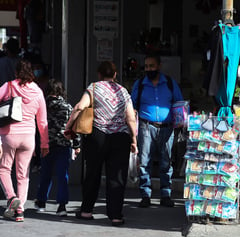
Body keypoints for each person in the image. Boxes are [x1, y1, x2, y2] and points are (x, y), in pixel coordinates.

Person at [64, 61, 137, 226]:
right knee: (117, 177)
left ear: (99, 74)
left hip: (97, 135)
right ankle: (116, 215)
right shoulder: (123, 91)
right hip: (120, 137)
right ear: (115, 75)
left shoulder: (94, 87)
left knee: (92, 173)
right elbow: (130, 117)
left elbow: (79, 107)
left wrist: (69, 128)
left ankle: (86, 211)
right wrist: (134, 139)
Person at [131, 53, 183, 208]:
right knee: (144, 161)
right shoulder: (140, 84)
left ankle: (166, 194)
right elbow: (132, 106)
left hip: (167, 128)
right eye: (146, 66)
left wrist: (181, 122)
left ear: (159, 66)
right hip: (146, 126)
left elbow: (179, 103)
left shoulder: (169, 83)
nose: (149, 69)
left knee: (166, 162)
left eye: (152, 66)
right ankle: (145, 195)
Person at [0, 59, 49, 222]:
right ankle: (19, 211)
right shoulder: (38, 91)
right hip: (28, 138)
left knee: (4, 169)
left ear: (16, 72)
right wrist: (44, 143)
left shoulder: (9, 86)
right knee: (23, 175)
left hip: (9, 135)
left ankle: (11, 198)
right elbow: (42, 122)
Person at [34, 79, 81, 216]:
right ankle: (61, 206)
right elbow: (73, 127)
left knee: (45, 175)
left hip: (46, 144)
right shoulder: (67, 106)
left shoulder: (42, 106)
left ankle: (41, 202)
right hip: (63, 145)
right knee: (63, 176)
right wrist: (76, 145)